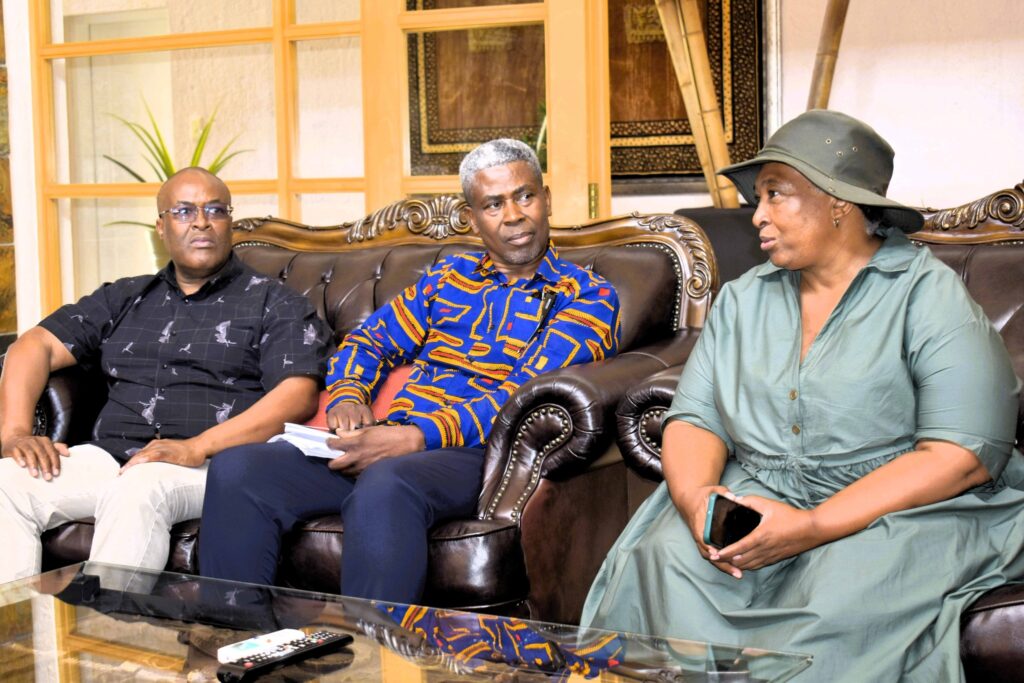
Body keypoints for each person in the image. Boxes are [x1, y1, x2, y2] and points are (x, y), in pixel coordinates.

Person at [581, 110, 1024, 681]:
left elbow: (959, 456)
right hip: (758, 488)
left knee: (839, 603)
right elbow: (695, 418)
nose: (757, 214)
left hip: (897, 509)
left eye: (775, 194)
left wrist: (812, 526)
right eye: (758, 197)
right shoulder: (743, 300)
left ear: (839, 202)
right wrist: (699, 502)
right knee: (664, 558)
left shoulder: (929, 296)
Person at [198, 138, 621, 604]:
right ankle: (239, 643)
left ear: (546, 199)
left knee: (387, 482)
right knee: (240, 467)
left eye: (525, 196)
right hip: (387, 443)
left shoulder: (586, 295)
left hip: (475, 453)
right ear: (473, 217)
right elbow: (370, 339)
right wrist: (348, 395)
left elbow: (518, 396)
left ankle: (377, 660)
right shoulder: (447, 278)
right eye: (494, 204)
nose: (514, 215)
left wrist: (415, 437)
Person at [0, 167, 329, 583]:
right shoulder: (126, 296)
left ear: (229, 223)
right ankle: (21, 639)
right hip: (110, 457)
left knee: (140, 487)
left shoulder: (274, 302)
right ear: (161, 226)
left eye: (215, 210)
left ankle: (111, 637)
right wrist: (14, 434)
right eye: (184, 211)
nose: (202, 221)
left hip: (213, 463)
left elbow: (297, 394)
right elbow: (33, 346)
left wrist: (198, 447)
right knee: (5, 483)